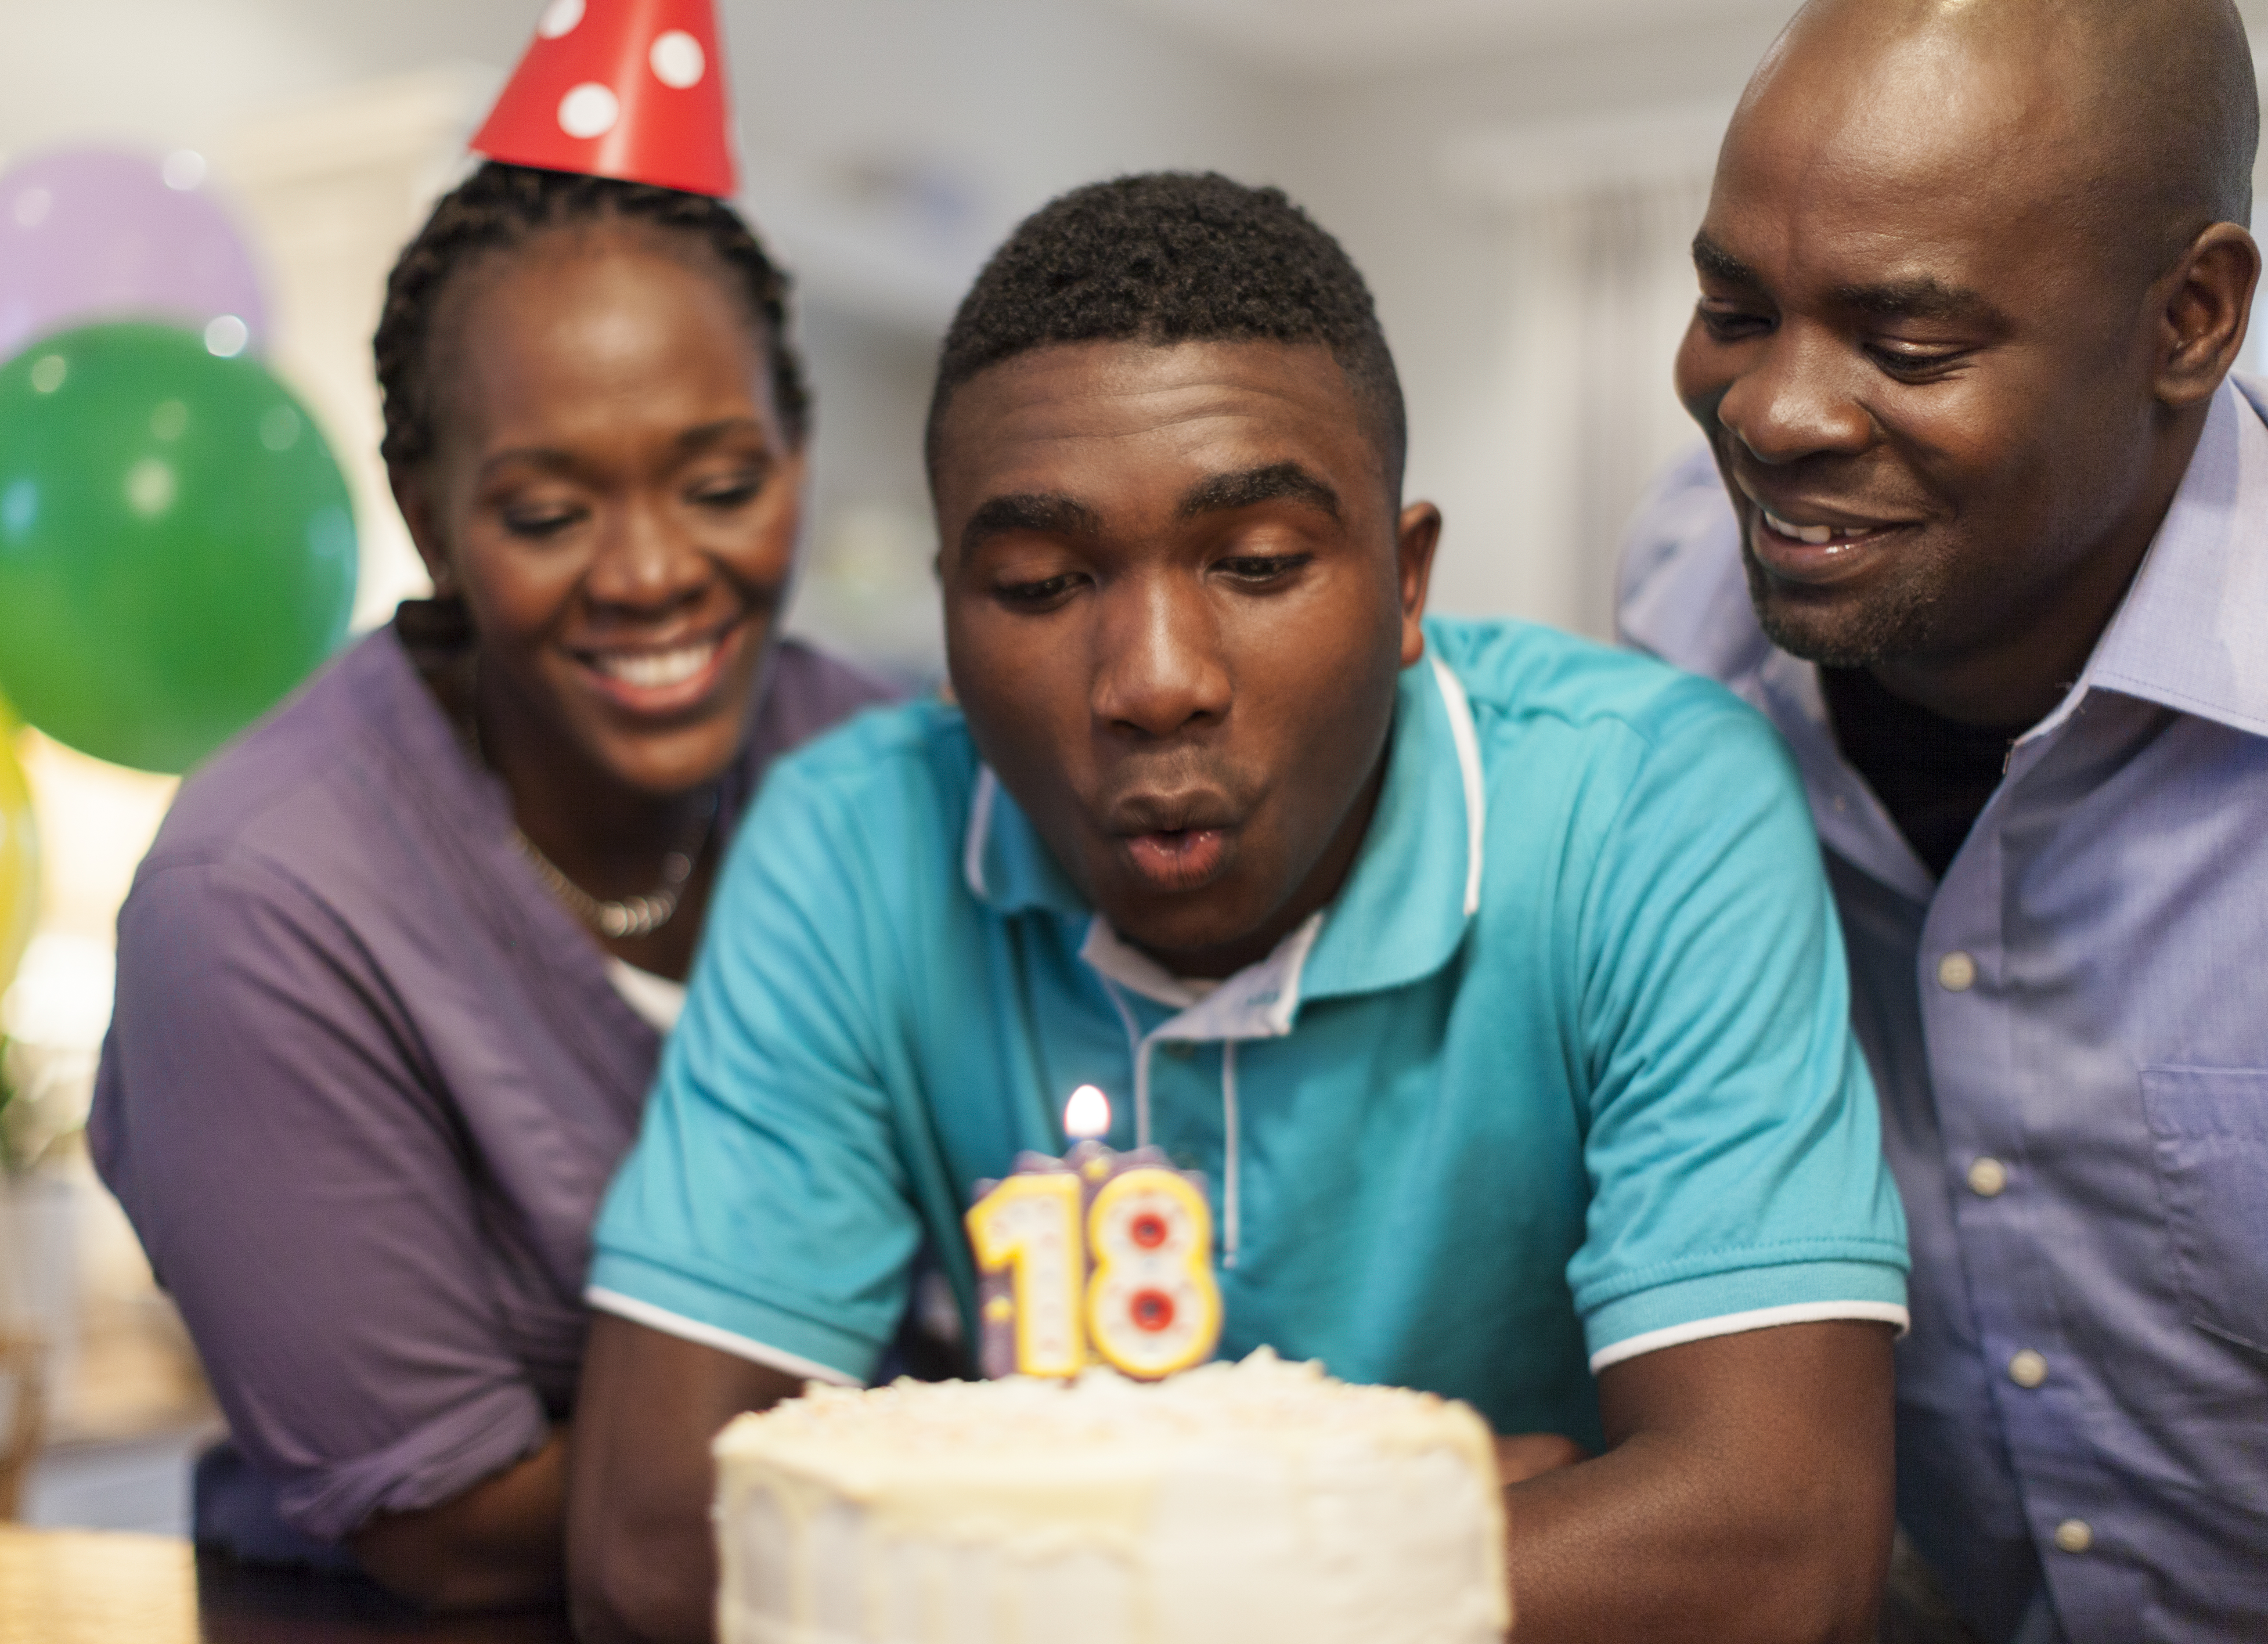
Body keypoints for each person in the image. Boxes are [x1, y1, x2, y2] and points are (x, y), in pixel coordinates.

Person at [566, 171, 1912, 1644]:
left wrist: (1008, 1577)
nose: (1154, 678)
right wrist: (1423, 1541)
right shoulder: (849, 840)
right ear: (947, 620)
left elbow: (1780, 1548)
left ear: (1406, 584)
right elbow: (651, 1544)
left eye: (1258, 564)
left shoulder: (1646, 806)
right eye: (1037, 581)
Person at [87, 159, 893, 1610]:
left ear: (798, 452)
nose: (652, 571)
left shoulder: (886, 765)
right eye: (545, 514)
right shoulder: (260, 901)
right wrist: (973, 1446)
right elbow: (452, 1531)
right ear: (427, 515)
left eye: (721, 484)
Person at [1615, 2, 2268, 1638]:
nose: (1774, 416)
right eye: (1730, 309)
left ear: (2188, 319)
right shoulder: (1678, 638)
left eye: (1909, 347)